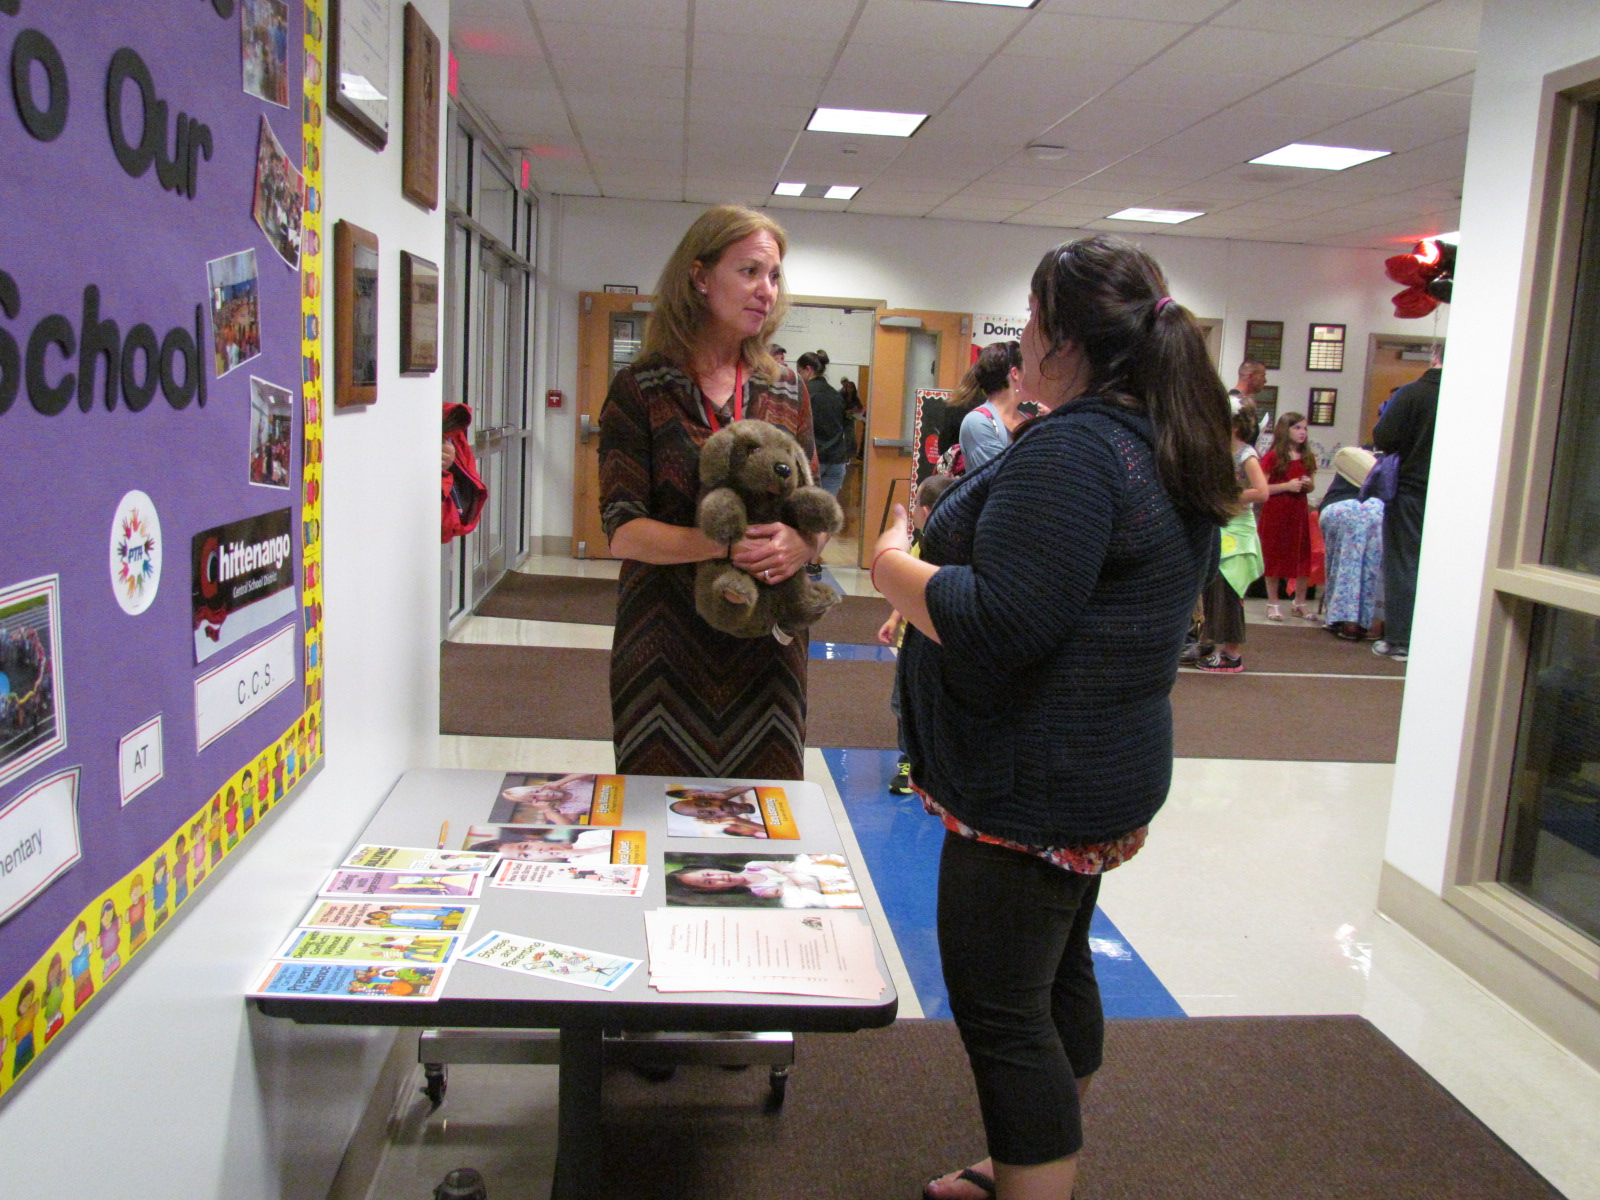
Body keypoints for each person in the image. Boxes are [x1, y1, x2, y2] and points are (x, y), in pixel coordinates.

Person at [871, 234, 1233, 1200]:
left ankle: (1034, 1172)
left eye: (1031, 320)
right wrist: (926, 593)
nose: (1019, 339)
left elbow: (1001, 625)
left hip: (1034, 786)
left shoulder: (1082, 450)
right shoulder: (1156, 436)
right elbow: (1062, 595)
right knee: (1054, 970)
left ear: (1067, 339)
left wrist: (893, 566)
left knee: (1002, 1011)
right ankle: (1027, 1160)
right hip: (1094, 774)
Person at [598, 206, 820, 779]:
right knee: (655, 816)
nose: (766, 291)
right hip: (665, 650)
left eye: (773, 276)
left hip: (767, 652)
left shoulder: (787, 387)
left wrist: (801, 546)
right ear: (699, 276)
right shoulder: (640, 388)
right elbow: (623, 530)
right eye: (749, 271)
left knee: (766, 832)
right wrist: (722, 546)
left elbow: (814, 514)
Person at [878, 472, 956, 794]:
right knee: (906, 702)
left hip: (930, 643)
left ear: (924, 510)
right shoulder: (921, 545)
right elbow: (908, 588)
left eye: (915, 503)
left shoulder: (947, 548)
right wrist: (895, 618)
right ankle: (909, 761)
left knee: (916, 701)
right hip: (913, 638)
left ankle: (931, 763)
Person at [1371, 349, 1441, 661]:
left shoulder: (1412, 394)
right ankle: (1438, 637)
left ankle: (1401, 639)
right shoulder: (1472, 395)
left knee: (1404, 563)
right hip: (1458, 498)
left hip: (1412, 490)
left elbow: (1384, 437)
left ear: (1434, 358)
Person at [1195, 402, 1269, 673]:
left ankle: (1231, 652)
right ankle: (1211, 641)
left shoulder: (1246, 455)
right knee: (1214, 587)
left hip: (1237, 530)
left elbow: (1261, 491)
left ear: (1234, 425)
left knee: (1229, 588)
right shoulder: (1222, 452)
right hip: (1223, 525)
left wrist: (1226, 496)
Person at [1257, 412, 1318, 621]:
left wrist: (1308, 485)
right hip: (1276, 511)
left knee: (1302, 556)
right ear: (1285, 430)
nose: (1302, 432)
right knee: (1273, 556)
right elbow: (1262, 488)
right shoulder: (1273, 456)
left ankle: (1299, 602)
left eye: (1304, 428)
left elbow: (1312, 485)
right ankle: (1273, 602)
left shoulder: (1308, 457)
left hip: (1298, 511)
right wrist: (1286, 486)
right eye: (1297, 428)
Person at [1318, 453, 1385, 641]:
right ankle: (1373, 621)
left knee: (1346, 560)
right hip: (1376, 508)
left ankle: (1345, 619)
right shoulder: (1397, 461)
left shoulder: (1359, 453)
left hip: (1339, 506)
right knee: (1376, 563)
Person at [957, 340, 1026, 474]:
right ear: (1015, 374)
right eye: (1028, 369)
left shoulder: (1028, 420)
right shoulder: (978, 421)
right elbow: (1002, 476)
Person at [798, 350, 850, 498]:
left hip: (814, 460)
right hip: (837, 460)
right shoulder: (835, 394)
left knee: (805, 509)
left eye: (799, 372)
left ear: (808, 370)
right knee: (825, 509)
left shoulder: (805, 393)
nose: (798, 377)